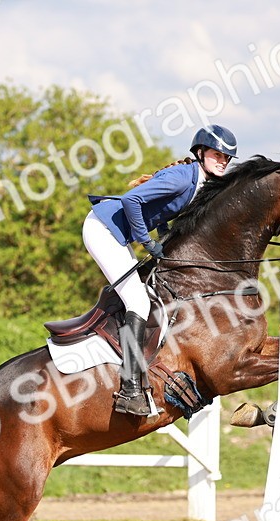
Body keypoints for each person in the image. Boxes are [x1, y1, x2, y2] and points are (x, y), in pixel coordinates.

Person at [83, 124, 238, 416]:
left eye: (227, 158)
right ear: (201, 153)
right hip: (102, 229)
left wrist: (163, 231)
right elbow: (132, 200)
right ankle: (129, 389)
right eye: (218, 155)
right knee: (139, 301)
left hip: (115, 233)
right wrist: (146, 242)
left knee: (147, 294)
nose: (223, 161)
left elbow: (161, 208)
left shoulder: (197, 181)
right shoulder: (183, 178)